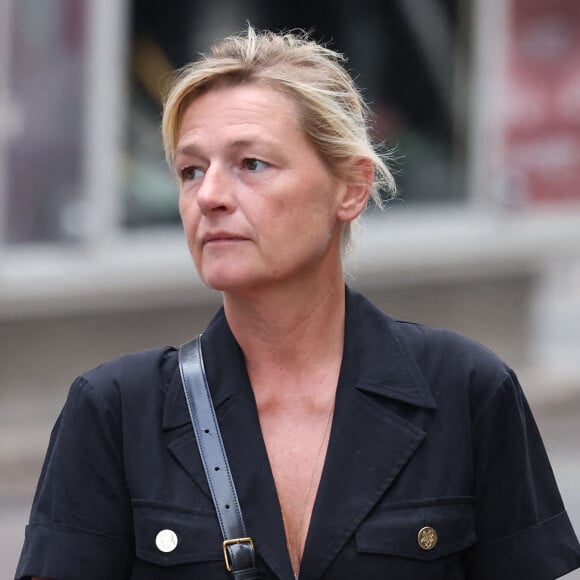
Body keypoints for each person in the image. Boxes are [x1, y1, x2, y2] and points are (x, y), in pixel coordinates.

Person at [16, 26, 580, 580]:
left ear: (351, 189)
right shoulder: (114, 411)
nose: (209, 196)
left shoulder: (465, 391)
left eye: (251, 164)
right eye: (191, 170)